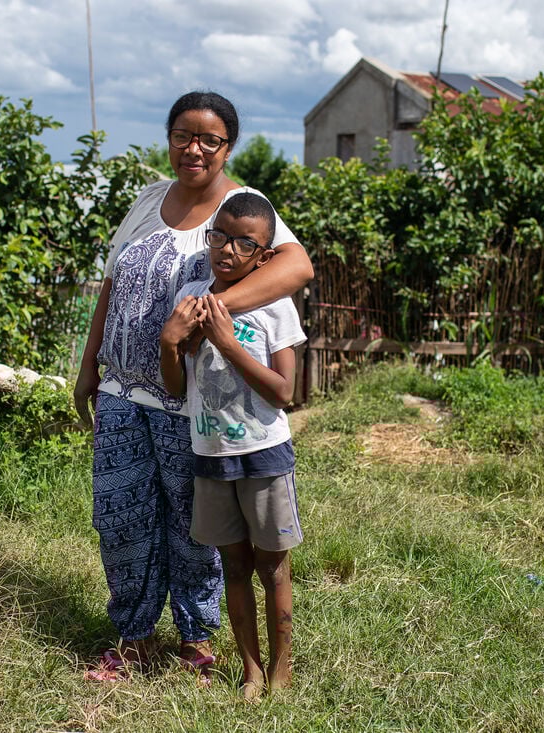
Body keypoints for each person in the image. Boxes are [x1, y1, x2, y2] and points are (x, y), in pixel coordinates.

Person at [73, 92, 313, 683]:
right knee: (119, 517)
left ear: (228, 146)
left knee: (192, 527)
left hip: (191, 403)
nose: (194, 149)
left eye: (209, 139)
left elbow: (294, 268)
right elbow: (110, 286)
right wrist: (89, 366)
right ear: (169, 137)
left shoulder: (240, 209)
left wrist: (203, 316)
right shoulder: (148, 199)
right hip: (122, 394)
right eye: (183, 135)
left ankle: (196, 639)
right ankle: (132, 636)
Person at [160, 192, 305, 700]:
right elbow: (177, 388)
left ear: (265, 256)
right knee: (235, 567)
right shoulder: (193, 296)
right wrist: (168, 342)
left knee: (272, 565)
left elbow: (285, 392)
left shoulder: (275, 304)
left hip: (264, 454)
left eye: (245, 243)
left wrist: (228, 343)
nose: (227, 249)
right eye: (218, 236)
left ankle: (282, 671)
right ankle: (251, 669)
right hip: (210, 454)